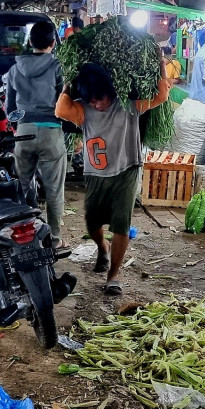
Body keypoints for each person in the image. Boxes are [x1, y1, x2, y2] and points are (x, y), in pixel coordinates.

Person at [56, 63, 170, 296]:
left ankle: (114, 275)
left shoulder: (128, 107)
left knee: (121, 225)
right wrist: (68, 82)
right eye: (92, 101)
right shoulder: (83, 109)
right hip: (95, 174)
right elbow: (60, 110)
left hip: (126, 170)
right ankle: (103, 248)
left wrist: (160, 63)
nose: (97, 105)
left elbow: (162, 95)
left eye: (100, 99)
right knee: (92, 221)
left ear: (111, 91)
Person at [5, 20, 66, 247]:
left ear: (30, 42)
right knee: (53, 190)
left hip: (23, 131)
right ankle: (56, 239)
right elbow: (64, 100)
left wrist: (17, 126)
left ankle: (22, 237)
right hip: (51, 131)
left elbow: (9, 107)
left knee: (20, 186)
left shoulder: (14, 68)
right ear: (53, 43)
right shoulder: (59, 66)